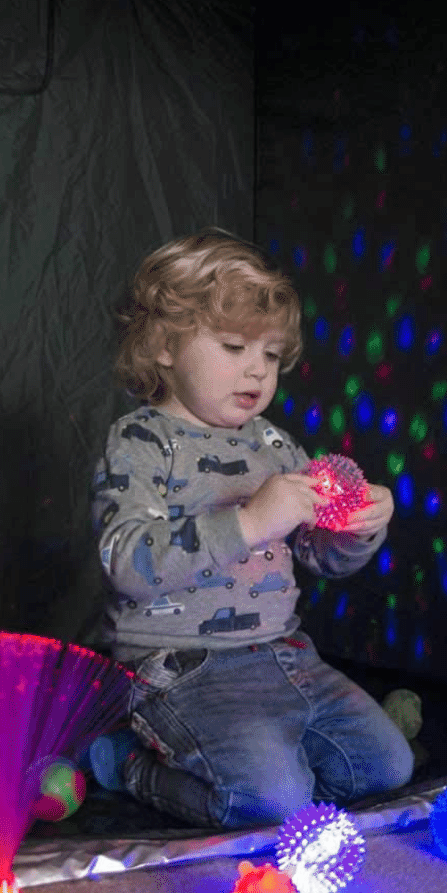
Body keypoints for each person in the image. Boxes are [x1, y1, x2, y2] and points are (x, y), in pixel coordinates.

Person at [87, 228, 413, 829]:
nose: (256, 372)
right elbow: (127, 562)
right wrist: (249, 521)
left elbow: (321, 558)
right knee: (272, 802)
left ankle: (277, 751)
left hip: (285, 656)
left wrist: (358, 528)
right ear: (163, 345)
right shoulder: (141, 440)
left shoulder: (273, 443)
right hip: (181, 668)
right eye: (235, 346)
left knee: (387, 767)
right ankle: (127, 763)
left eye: (269, 355)